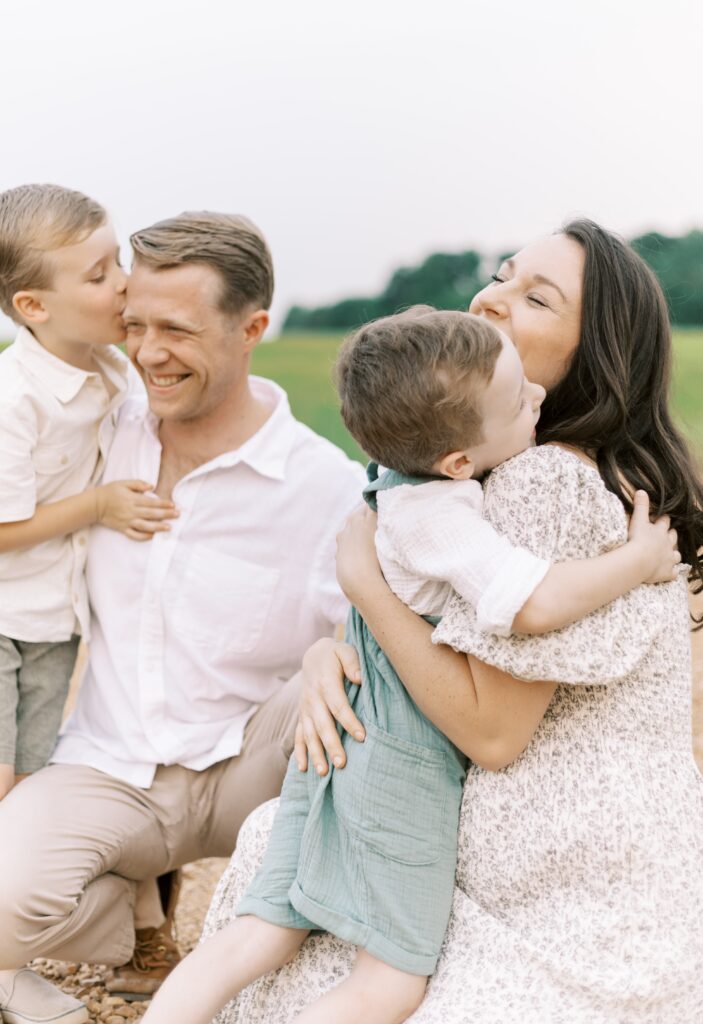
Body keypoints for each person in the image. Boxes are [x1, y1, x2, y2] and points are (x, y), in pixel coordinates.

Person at [202, 220, 703, 1024]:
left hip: (567, 885)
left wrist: (362, 583)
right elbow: (439, 626)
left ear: (596, 353)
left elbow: (493, 732)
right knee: (292, 858)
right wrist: (329, 656)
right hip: (588, 860)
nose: (491, 299)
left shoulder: (545, 483)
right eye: (502, 274)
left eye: (534, 297)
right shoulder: (506, 477)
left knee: (300, 898)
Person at [0, 210, 365, 1024]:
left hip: (253, 769)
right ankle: (130, 922)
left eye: (177, 329)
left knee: (353, 689)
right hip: (110, 766)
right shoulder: (101, 433)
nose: (147, 352)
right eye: (134, 324)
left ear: (252, 329)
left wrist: (329, 657)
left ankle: (308, 928)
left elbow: (390, 643)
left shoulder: (324, 487)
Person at [0, 184, 178, 805]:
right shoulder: (14, 400)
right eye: (100, 275)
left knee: (31, 775)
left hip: (54, 618)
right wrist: (101, 504)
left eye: (120, 263)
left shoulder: (111, 367)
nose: (126, 284)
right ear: (34, 306)